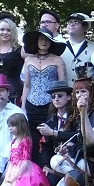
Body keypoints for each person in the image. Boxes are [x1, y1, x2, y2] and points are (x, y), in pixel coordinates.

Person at [20, 26, 68, 164]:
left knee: (48, 135)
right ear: (36, 41)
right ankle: (33, 169)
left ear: (51, 42)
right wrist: (23, 107)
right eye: (41, 38)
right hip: (31, 104)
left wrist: (62, 106)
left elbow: (62, 84)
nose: (44, 41)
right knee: (33, 137)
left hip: (50, 104)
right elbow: (27, 85)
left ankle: (48, 166)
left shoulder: (58, 60)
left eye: (47, 39)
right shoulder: (28, 60)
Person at [0, 113, 50, 186]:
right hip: (14, 166)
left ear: (21, 126)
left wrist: (14, 177)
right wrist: (8, 176)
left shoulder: (25, 140)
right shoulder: (14, 141)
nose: (10, 128)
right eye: (9, 126)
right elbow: (12, 160)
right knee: (5, 185)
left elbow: (25, 161)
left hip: (24, 168)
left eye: (13, 126)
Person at [35, 80, 76, 170]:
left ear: (69, 97)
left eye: (60, 95)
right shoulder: (51, 118)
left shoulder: (76, 115)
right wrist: (45, 165)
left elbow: (77, 136)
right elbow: (46, 145)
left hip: (74, 159)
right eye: (53, 96)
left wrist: (52, 132)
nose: (56, 99)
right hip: (54, 161)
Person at [61, 12, 93, 82]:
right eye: (70, 22)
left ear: (85, 27)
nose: (72, 24)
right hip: (65, 90)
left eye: (76, 22)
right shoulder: (60, 46)